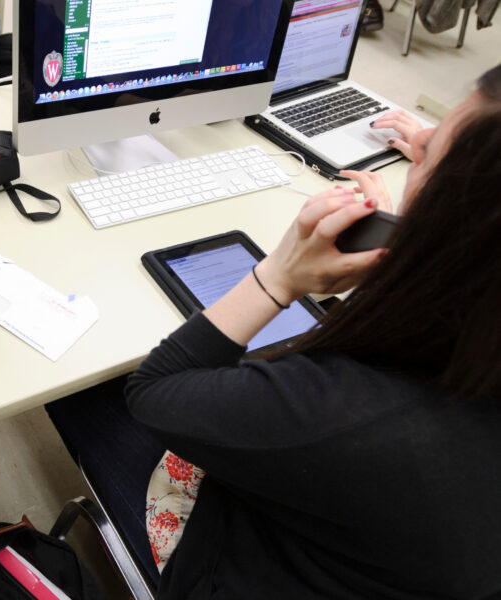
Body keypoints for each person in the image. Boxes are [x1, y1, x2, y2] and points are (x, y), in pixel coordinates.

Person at [126, 65, 501, 599]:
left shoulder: (340, 411)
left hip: (237, 562)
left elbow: (153, 391)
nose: (411, 143)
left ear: (456, 215)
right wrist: (424, 254)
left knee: (88, 406)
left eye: (427, 151)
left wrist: (280, 274)